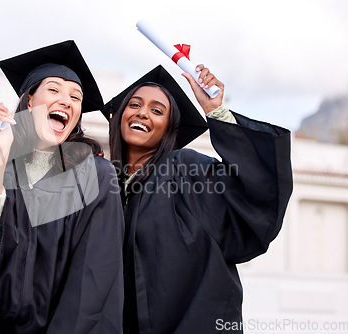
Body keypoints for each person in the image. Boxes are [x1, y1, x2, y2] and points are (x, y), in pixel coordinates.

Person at [0, 40, 124, 333]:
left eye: (76, 96)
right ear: (29, 100)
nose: (67, 100)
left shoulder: (94, 175)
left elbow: (94, 274)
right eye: (54, 90)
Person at [103, 65, 293, 333]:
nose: (143, 113)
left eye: (157, 111)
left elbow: (256, 192)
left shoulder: (184, 170)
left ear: (169, 129)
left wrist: (216, 111)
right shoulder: (103, 185)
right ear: (120, 115)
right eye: (134, 104)